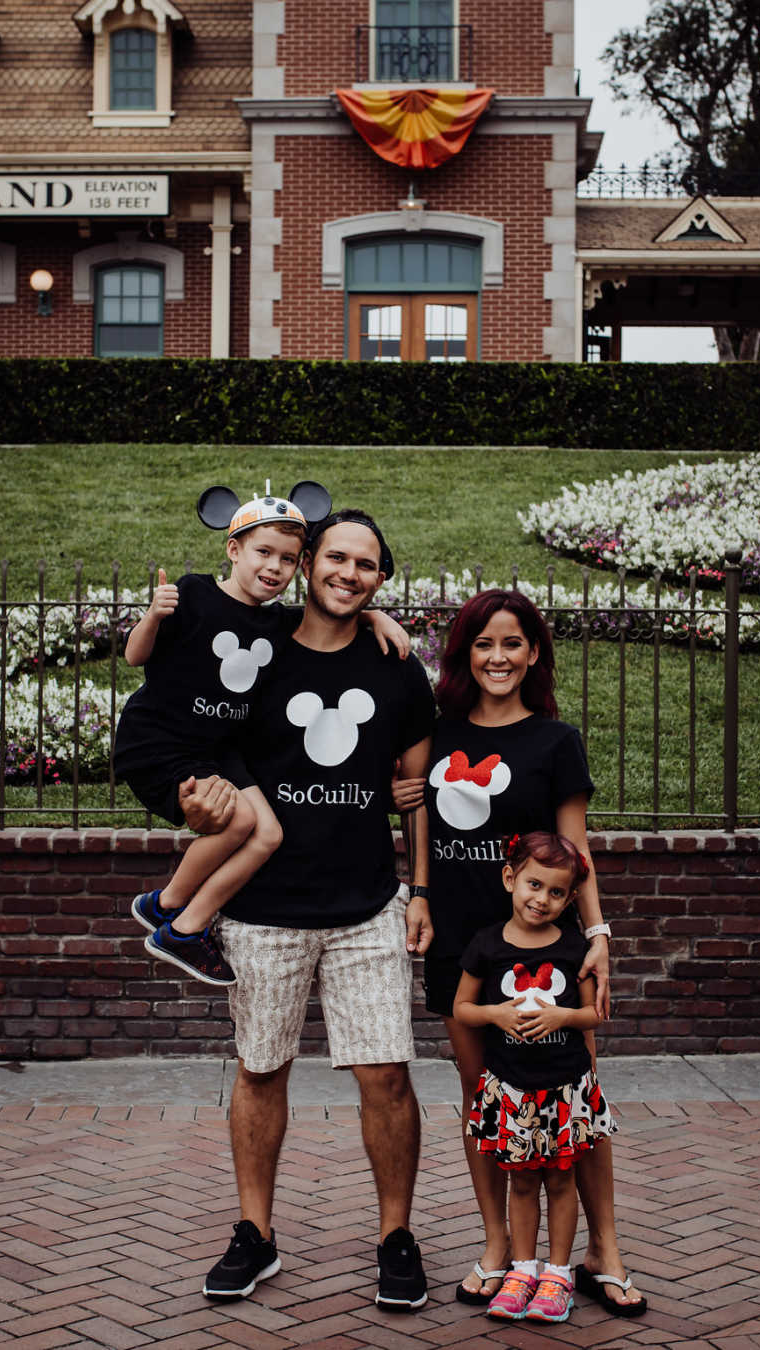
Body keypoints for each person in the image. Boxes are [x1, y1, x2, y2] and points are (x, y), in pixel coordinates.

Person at [190, 509, 436, 1311]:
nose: (349, 573)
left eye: (367, 564)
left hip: (366, 905)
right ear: (307, 564)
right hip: (264, 908)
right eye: (336, 557)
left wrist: (422, 889)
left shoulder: (398, 664)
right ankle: (255, 1234)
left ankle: (396, 1238)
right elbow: (195, 728)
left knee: (387, 1077)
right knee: (260, 1070)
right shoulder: (256, 654)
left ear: (380, 577)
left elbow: (416, 791)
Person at [393, 588, 646, 1317]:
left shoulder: (554, 741)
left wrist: (597, 939)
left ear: (533, 652)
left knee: (577, 1100)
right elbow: (414, 823)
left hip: (550, 952)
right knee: (483, 1103)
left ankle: (604, 1249)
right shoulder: (433, 736)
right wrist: (418, 890)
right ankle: (500, 1246)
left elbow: (578, 851)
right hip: (463, 945)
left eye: (512, 643)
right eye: (482, 643)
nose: (497, 657)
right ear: (462, 654)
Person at [114, 483, 407, 988]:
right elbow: (135, 658)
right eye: (263, 553)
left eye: (288, 560)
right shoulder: (195, 594)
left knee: (268, 833)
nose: (274, 567)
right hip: (162, 740)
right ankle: (173, 909)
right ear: (233, 549)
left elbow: (327, 615)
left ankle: (174, 920)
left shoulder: (275, 621)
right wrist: (154, 614)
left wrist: (374, 612)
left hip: (215, 747)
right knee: (240, 822)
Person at [454, 830, 617, 1323]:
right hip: (512, 1089)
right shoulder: (485, 945)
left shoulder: (573, 949)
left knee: (562, 1182)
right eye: (533, 885)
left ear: (570, 898)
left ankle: (558, 1275)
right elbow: (462, 1008)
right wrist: (496, 1016)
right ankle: (522, 1270)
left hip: (564, 1090)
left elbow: (595, 1015)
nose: (541, 899)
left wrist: (563, 1018)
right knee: (522, 1184)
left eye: (555, 892)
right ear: (510, 878)